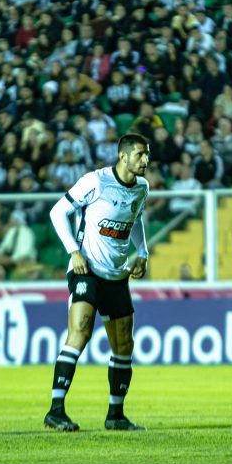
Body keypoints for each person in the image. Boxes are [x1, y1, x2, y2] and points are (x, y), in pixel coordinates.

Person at [44, 133, 150, 432]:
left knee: (124, 344)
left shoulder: (142, 188)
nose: (146, 160)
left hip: (117, 275)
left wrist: (142, 252)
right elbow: (58, 212)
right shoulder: (96, 182)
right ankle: (56, 410)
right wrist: (73, 251)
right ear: (123, 156)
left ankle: (115, 415)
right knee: (80, 331)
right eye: (140, 154)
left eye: (147, 154)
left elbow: (136, 218)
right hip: (86, 269)